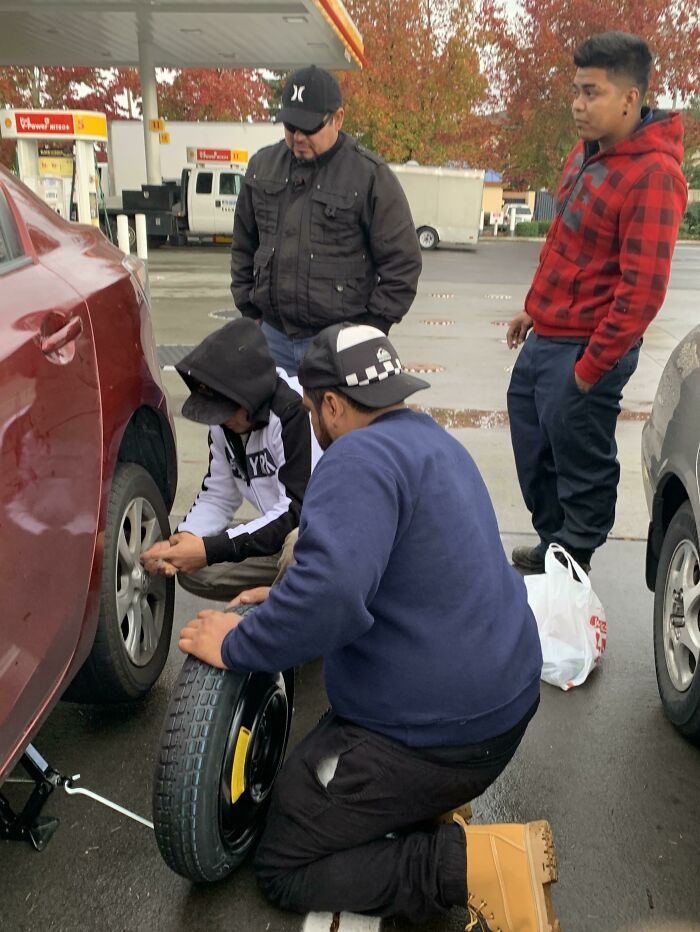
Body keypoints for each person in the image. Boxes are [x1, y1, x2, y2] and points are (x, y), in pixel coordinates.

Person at [177, 324, 559, 930]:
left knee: (284, 859)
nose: (315, 425)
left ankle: (468, 867)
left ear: (332, 404)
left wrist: (239, 643)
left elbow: (332, 596)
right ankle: (432, 805)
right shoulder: (432, 442)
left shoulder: (355, 456)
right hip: (503, 701)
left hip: (446, 734)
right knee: (332, 781)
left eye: (313, 410)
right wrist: (283, 594)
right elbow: (388, 564)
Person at [506, 31, 687, 576]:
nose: (578, 105)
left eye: (592, 92)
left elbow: (641, 293)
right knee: (533, 443)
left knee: (580, 460)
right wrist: (533, 308)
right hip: (548, 335)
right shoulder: (585, 156)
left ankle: (573, 563)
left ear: (630, 99)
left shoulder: (654, 175)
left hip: (588, 346)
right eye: (575, 92)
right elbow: (564, 243)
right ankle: (552, 543)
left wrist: (589, 371)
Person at [230, 65, 423, 375]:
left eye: (309, 128)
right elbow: (243, 245)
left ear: (338, 118)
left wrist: (372, 329)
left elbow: (403, 264)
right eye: (290, 126)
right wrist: (248, 309)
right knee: (276, 424)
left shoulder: (369, 175)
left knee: (336, 425)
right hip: (272, 337)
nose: (298, 137)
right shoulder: (262, 167)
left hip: (340, 342)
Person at [142, 318, 320, 601]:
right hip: (280, 537)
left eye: (227, 410)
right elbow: (218, 495)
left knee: (297, 547)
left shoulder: (294, 413)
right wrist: (188, 537)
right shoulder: (226, 424)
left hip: (319, 537)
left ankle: (289, 616)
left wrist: (210, 550)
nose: (221, 420)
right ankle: (283, 593)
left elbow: (297, 512)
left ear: (251, 395)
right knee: (192, 568)